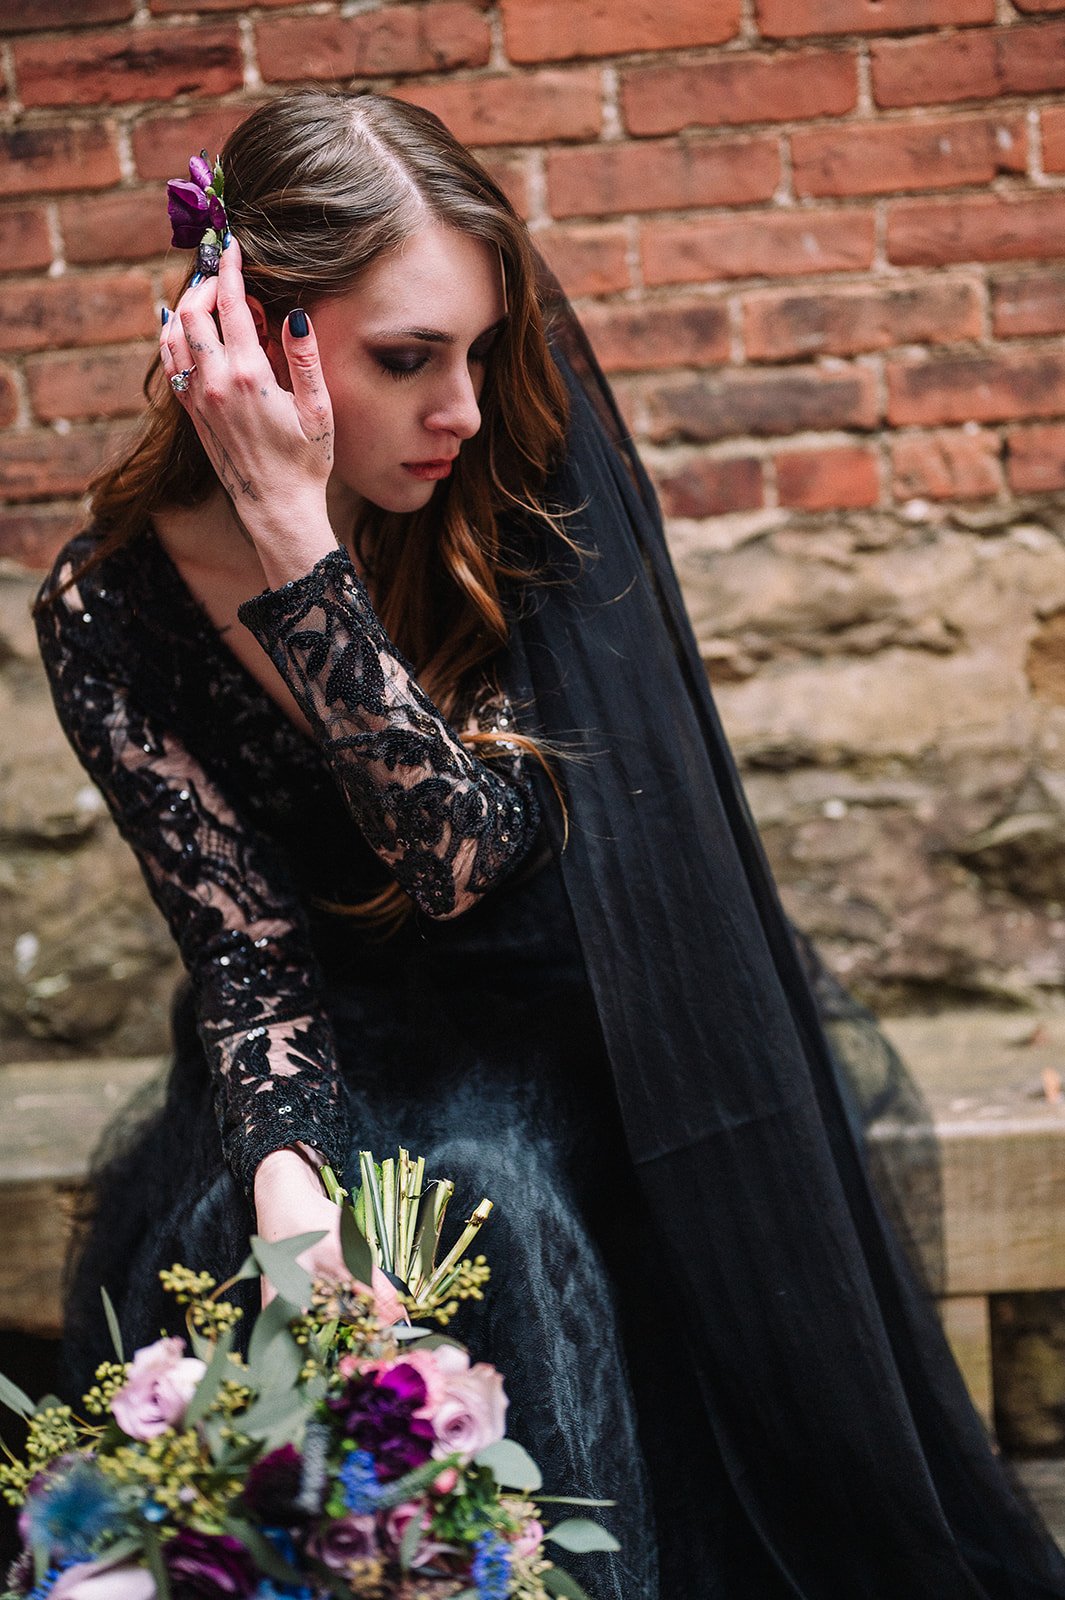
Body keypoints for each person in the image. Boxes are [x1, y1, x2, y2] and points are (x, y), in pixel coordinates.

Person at [33, 89, 1065, 1599]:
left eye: (480, 350)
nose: (461, 403)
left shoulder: (505, 501)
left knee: (486, 1203)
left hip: (578, 1037)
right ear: (265, 339)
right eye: (409, 359)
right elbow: (245, 952)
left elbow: (460, 859)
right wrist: (291, 1190)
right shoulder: (105, 609)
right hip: (322, 1041)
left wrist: (295, 547)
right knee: (261, 1252)